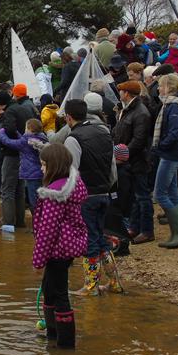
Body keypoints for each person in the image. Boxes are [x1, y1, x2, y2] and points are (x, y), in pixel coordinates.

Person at [32, 143, 88, 348]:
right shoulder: (73, 184)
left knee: (59, 293)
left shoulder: (54, 193)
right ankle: (52, 333)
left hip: (57, 250)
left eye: (44, 165)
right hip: (68, 246)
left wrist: (38, 261)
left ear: (53, 166)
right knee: (50, 288)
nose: (41, 169)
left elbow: (47, 230)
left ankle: (65, 344)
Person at [63, 99, 118, 296]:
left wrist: (68, 199)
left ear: (68, 117)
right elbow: (112, 165)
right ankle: (114, 282)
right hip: (104, 193)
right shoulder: (104, 132)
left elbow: (72, 173)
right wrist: (109, 186)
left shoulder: (73, 138)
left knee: (89, 241)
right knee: (102, 238)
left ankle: (91, 286)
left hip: (86, 197)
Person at [152, 74, 178, 248]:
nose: (158, 89)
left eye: (160, 86)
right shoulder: (171, 105)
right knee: (173, 192)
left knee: (160, 193)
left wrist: (161, 145)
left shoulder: (174, 107)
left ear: (168, 87)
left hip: (170, 154)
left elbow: (176, 132)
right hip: (171, 153)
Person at [113, 80, 154, 244]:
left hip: (138, 160)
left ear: (127, 94)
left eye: (121, 91)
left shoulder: (140, 112)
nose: (120, 93)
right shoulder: (129, 110)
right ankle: (135, 227)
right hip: (131, 160)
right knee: (136, 197)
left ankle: (147, 230)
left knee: (143, 197)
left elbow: (139, 139)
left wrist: (123, 155)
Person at [2, 83, 38, 228]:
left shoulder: (12, 110)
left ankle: (9, 225)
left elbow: (11, 130)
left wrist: (3, 135)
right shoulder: (29, 107)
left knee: (8, 189)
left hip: (15, 153)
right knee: (20, 188)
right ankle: (22, 223)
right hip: (28, 154)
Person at [0, 118, 48, 212]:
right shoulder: (42, 138)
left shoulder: (26, 141)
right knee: (41, 199)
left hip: (32, 175)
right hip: (42, 173)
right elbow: (23, 140)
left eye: (26, 128)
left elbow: (9, 142)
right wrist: (16, 132)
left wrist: (1, 132)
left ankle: (38, 224)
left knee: (34, 202)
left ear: (29, 129)